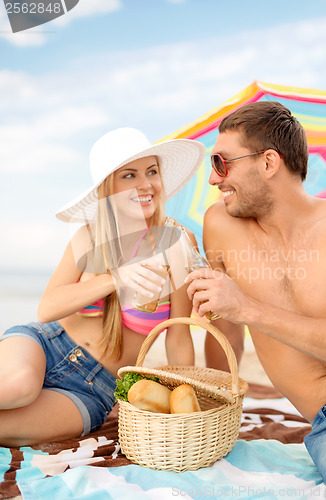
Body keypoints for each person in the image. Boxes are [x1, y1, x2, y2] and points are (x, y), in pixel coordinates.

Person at [185, 101, 326, 499]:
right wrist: (215, 408)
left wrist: (248, 308)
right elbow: (226, 332)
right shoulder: (220, 226)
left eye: (222, 164)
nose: (212, 179)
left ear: (269, 162)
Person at [0, 127, 205, 446]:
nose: (145, 184)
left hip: (94, 388)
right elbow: (47, 309)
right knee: (19, 386)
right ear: (108, 188)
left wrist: (186, 404)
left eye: (152, 171)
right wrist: (117, 278)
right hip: (45, 345)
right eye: (129, 175)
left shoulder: (177, 245)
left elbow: (179, 336)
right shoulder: (88, 236)